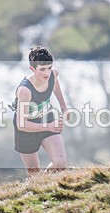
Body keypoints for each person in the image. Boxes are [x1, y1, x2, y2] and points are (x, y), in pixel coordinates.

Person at [13, 46, 72, 175]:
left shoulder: (53, 74)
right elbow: (21, 124)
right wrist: (48, 126)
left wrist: (64, 107)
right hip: (26, 129)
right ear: (32, 69)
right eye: (42, 69)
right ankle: (37, 183)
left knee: (60, 165)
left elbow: (55, 85)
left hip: (46, 119)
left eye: (49, 68)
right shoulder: (25, 91)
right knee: (34, 175)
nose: (47, 73)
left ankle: (45, 181)